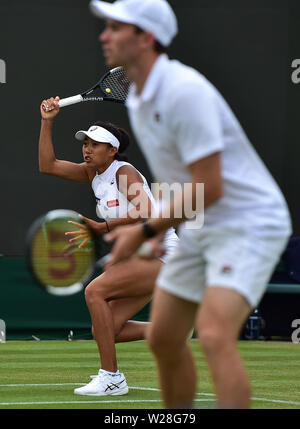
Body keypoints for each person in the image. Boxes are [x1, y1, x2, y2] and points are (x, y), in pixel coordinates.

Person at [89, 0, 292, 408]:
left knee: (215, 333)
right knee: (164, 337)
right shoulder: (140, 102)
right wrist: (157, 236)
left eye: (116, 28)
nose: (104, 36)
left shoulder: (184, 92)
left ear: (146, 38)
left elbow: (209, 186)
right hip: (203, 226)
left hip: (249, 223)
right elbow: (177, 181)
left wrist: (146, 230)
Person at [38, 96, 178, 396]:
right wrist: (47, 121)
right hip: (142, 257)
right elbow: (47, 165)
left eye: (95, 144)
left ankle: (112, 377)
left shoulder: (123, 172)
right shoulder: (93, 174)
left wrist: (100, 227)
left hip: (164, 255)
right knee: (106, 329)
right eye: (85, 143)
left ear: (112, 150)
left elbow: (146, 213)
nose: (87, 149)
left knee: (95, 291)